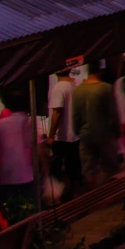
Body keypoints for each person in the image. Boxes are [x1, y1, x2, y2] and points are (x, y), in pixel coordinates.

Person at [73, 62, 122, 183]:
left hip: (85, 134)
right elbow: (113, 113)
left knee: (88, 169)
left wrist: (78, 131)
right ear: (101, 70)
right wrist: (117, 129)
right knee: (109, 165)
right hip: (104, 133)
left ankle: (93, 193)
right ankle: (103, 191)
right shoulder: (105, 88)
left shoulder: (77, 90)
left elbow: (75, 116)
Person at [0, 93, 36, 201]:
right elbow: (37, 147)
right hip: (25, 174)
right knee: (29, 206)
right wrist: (44, 166)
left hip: (5, 176)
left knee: (10, 209)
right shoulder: (26, 121)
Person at [47, 66, 83, 196]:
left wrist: (51, 135)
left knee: (57, 170)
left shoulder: (58, 88)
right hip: (74, 135)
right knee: (74, 169)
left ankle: (60, 197)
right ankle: (75, 196)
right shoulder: (73, 86)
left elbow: (57, 113)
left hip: (62, 137)